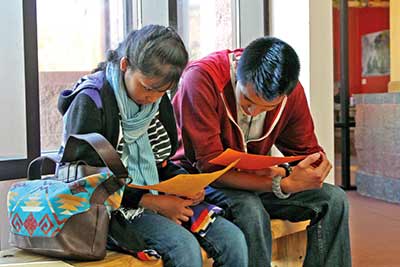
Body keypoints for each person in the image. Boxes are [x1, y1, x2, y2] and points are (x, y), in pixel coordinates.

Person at [58, 24, 247, 267]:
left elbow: (161, 163)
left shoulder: (158, 100)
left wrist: (187, 186)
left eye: (163, 92)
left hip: (156, 196)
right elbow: (86, 183)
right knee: (183, 247)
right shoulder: (91, 100)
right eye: (148, 88)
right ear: (125, 65)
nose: (152, 98)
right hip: (108, 211)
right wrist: (151, 202)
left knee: (233, 239)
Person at [172, 36, 352, 267]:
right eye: (247, 101)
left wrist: (312, 169)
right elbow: (208, 166)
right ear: (237, 71)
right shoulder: (202, 78)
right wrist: (281, 184)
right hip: (200, 182)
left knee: (334, 199)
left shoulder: (291, 93)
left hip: (255, 181)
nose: (254, 112)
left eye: (268, 107)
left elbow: (306, 152)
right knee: (249, 209)